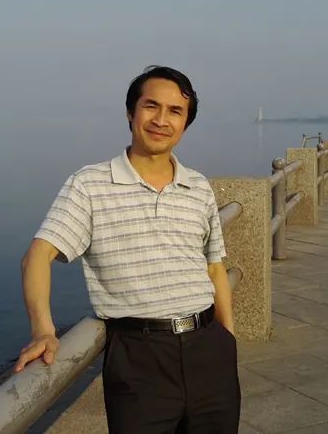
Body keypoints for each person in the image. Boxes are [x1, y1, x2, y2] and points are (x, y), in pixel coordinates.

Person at [14, 66, 241, 433]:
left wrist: (227, 339)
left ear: (185, 124)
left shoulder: (198, 186)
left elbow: (214, 267)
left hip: (209, 350)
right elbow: (37, 256)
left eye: (175, 111)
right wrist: (44, 330)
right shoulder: (90, 185)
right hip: (138, 357)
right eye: (151, 106)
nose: (161, 120)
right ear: (130, 113)